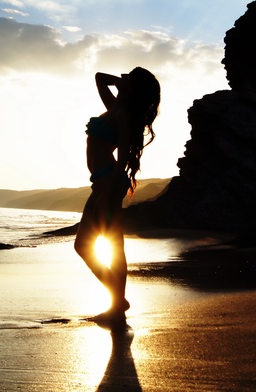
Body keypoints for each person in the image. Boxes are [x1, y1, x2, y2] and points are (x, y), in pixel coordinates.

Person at [74, 67, 161, 322]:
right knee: (87, 246)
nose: (121, 77)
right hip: (101, 182)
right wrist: (125, 83)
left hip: (109, 182)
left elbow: (122, 159)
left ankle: (117, 304)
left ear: (133, 88)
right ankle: (118, 302)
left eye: (127, 77)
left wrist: (108, 193)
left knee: (107, 246)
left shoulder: (123, 115)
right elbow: (100, 77)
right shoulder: (115, 108)